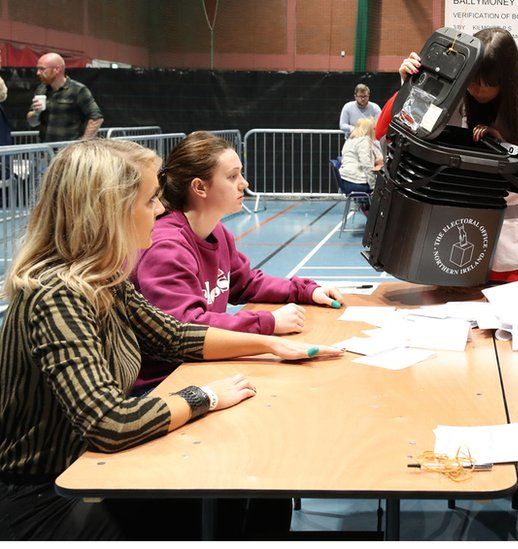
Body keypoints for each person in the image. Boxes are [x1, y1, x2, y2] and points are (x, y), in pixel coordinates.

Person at [0, 139, 342, 540]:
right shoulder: (58, 294)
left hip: (91, 469)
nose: (161, 209)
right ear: (110, 211)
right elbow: (109, 423)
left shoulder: (104, 281)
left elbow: (175, 335)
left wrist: (270, 344)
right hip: (47, 497)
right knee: (226, 482)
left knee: (258, 477)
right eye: (149, 201)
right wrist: (205, 397)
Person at [131, 131, 345, 393]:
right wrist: (268, 323)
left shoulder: (218, 232)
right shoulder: (166, 246)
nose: (243, 183)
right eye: (232, 176)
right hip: (165, 382)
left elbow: (245, 283)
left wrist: (306, 290)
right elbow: (187, 327)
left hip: (202, 365)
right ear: (200, 187)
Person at [377, 27, 518, 283]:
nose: (479, 90)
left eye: (489, 83)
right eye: (474, 81)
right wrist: (411, 89)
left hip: (511, 244)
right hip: (446, 232)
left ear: (508, 78)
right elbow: (382, 131)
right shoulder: (450, 89)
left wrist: (512, 150)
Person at [26, 52, 103, 142]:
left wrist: (83, 143)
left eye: (42, 69)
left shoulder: (78, 90)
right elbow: (32, 123)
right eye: (38, 69)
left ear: (57, 69)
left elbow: (96, 118)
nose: (38, 73)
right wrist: (36, 113)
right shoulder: (41, 89)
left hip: (69, 152)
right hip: (46, 151)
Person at [339, 116, 382, 191]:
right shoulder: (363, 141)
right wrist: (373, 185)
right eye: (374, 128)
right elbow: (366, 165)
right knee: (383, 188)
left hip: (346, 180)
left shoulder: (350, 140)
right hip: (355, 181)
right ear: (369, 129)